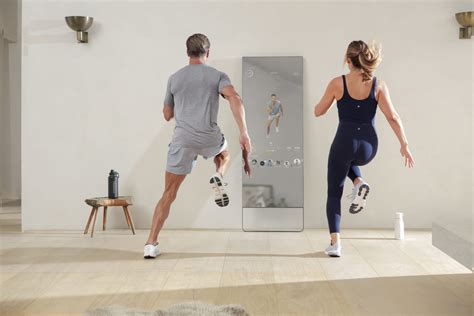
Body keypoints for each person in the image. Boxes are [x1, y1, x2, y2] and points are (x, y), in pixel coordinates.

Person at [144, 33, 252, 259]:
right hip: (208, 137)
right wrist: (244, 132)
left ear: (187, 52)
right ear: (208, 53)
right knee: (224, 153)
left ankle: (150, 244)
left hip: (182, 140)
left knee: (168, 193)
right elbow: (235, 98)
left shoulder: (174, 79)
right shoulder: (217, 76)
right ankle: (219, 173)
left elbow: (167, 115)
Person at [314, 40, 415, 257]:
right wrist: (404, 145)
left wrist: (335, 99)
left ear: (348, 60)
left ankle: (336, 243)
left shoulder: (337, 83)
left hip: (344, 141)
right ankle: (359, 181)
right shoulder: (379, 85)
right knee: (349, 161)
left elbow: (318, 111)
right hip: (369, 146)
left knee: (334, 192)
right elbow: (393, 117)